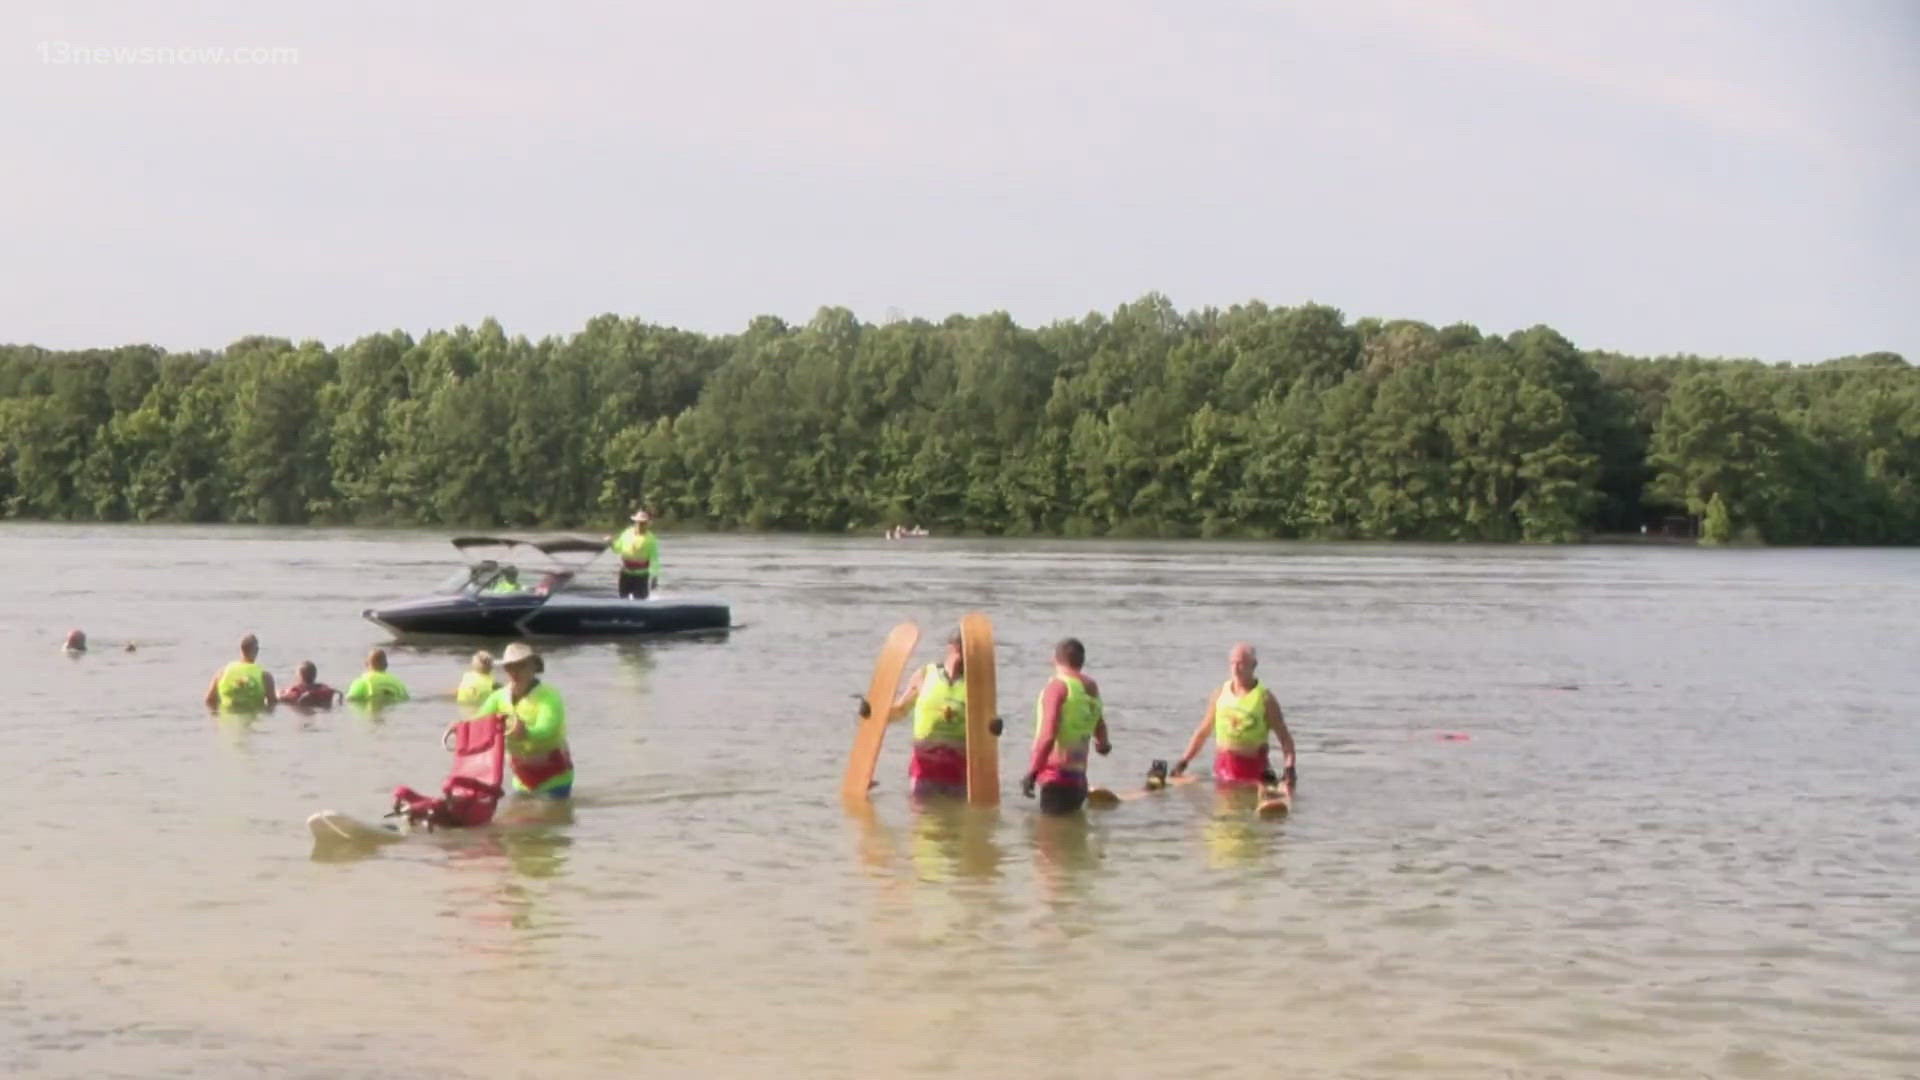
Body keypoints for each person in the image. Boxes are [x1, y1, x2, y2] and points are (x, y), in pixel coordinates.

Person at [1172, 642, 1297, 798]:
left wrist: (1289, 770)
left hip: (1254, 773)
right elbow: (1202, 733)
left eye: (1242, 663)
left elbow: (1285, 739)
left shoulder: (1265, 699)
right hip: (1223, 772)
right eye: (1233, 663)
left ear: (1253, 665)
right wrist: (1183, 762)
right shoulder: (1220, 694)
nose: (1236, 668)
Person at [1021, 637, 1111, 814]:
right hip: (1078, 779)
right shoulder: (1091, 688)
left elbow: (1048, 735)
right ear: (1081, 661)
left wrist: (1032, 773)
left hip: (1055, 778)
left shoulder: (1057, 687)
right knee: (1073, 838)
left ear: (1054, 659)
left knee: (1049, 838)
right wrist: (1103, 745)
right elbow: (1100, 726)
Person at [476, 642, 573, 799]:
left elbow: (547, 729)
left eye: (521, 666)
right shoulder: (498, 697)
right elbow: (479, 722)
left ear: (533, 667)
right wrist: (461, 727)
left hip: (554, 777)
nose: (515, 672)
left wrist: (527, 732)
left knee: (548, 819)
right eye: (510, 667)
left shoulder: (549, 696)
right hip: (522, 779)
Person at [204, 634, 276, 712]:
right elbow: (272, 704)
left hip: (227, 720)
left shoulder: (222, 672)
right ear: (257, 650)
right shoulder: (264, 676)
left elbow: (209, 700)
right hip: (254, 720)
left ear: (241, 649)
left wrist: (216, 718)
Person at [607, 509, 659, 599]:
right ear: (635, 523)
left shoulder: (651, 539)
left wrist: (655, 577)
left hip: (641, 576)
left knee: (640, 601)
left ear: (647, 524)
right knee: (623, 599)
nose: (640, 525)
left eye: (643, 523)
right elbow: (617, 549)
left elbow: (654, 559)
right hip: (626, 574)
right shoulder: (627, 533)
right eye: (638, 522)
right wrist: (611, 542)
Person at [344, 648, 411, 706]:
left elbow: (351, 699)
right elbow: (406, 699)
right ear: (386, 665)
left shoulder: (362, 681)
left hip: (371, 711)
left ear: (366, 664)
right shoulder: (398, 682)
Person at [278, 660, 342, 708]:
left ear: (299, 676)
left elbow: (280, 699)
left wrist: (279, 692)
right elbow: (339, 694)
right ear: (315, 675)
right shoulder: (324, 689)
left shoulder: (296, 692)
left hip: (303, 710)